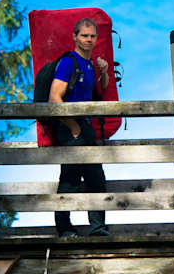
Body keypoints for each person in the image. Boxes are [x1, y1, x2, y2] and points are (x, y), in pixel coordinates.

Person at [49, 17, 110, 237]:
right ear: (75, 37)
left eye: (92, 36)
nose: (88, 39)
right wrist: (73, 127)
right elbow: (54, 99)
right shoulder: (68, 62)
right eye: (84, 35)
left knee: (96, 178)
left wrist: (103, 72)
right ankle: (64, 229)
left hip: (86, 127)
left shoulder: (90, 64)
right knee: (70, 179)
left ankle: (97, 228)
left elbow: (98, 92)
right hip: (70, 127)